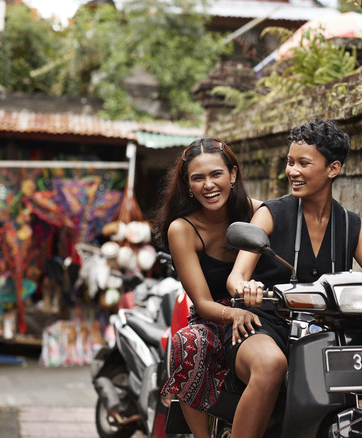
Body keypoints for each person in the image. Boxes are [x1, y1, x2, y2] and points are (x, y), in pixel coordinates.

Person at [224, 119, 362, 438]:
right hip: (268, 327)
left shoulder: (352, 225)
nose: (292, 171)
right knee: (270, 366)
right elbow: (237, 276)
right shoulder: (271, 214)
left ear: (333, 168)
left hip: (333, 332)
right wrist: (247, 287)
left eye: (303, 163)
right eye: (290, 162)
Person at [154, 137, 262, 438]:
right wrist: (234, 315)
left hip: (264, 311)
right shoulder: (182, 229)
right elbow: (201, 302)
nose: (208, 185)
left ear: (233, 174)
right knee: (187, 342)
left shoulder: (260, 213)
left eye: (216, 174)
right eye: (197, 178)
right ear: (188, 186)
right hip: (215, 317)